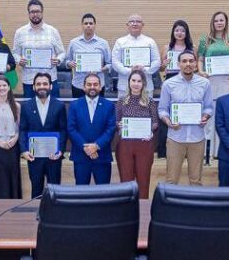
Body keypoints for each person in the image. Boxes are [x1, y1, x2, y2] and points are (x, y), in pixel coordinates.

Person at [158, 51, 213, 186]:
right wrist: (169, 122)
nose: (188, 64)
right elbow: (162, 109)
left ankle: (195, 207)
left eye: (191, 61)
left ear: (195, 64)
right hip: (175, 138)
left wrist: (205, 117)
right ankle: (171, 207)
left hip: (197, 138)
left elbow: (209, 107)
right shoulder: (168, 84)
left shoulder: (205, 83)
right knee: (171, 180)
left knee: (196, 181)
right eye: (184, 61)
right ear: (178, 64)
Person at [198, 11, 229, 156]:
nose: (219, 23)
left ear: (226, 22)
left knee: (225, 116)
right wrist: (201, 72)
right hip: (210, 81)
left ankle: (221, 151)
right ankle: (207, 152)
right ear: (213, 23)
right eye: (216, 20)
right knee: (209, 116)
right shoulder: (206, 40)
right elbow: (200, 59)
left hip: (226, 82)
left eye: (222, 20)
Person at [19, 72, 67, 198]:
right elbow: (22, 130)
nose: (42, 86)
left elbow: (63, 130)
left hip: (54, 157)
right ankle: (36, 215)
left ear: (51, 86)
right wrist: (24, 150)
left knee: (55, 191)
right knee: (36, 189)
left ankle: (55, 216)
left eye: (45, 83)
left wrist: (60, 151)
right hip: (34, 157)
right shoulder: (26, 106)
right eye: (38, 84)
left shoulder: (60, 106)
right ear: (33, 87)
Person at [115, 70, 159, 198]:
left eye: (139, 81)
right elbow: (116, 121)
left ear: (143, 84)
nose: (136, 84)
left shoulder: (149, 102)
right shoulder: (121, 101)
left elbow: (155, 122)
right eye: (133, 80)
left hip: (144, 145)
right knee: (126, 182)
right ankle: (126, 213)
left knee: (143, 182)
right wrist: (119, 125)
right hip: (125, 146)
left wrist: (150, 131)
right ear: (129, 82)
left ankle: (143, 213)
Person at [67, 74, 116, 185]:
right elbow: (71, 128)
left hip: (102, 155)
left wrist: (96, 146)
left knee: (103, 195)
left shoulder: (109, 105)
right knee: (81, 194)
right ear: (84, 87)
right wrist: (87, 148)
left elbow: (111, 129)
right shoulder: (74, 105)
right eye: (89, 84)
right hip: (81, 156)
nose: (92, 87)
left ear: (100, 87)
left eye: (95, 84)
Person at [12, 0, 66, 98]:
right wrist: (20, 60)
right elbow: (15, 53)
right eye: (32, 12)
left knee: (53, 111)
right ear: (28, 13)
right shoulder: (20, 32)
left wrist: (58, 60)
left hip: (50, 80)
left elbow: (62, 52)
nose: (35, 14)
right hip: (29, 81)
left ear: (42, 12)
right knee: (31, 111)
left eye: (38, 11)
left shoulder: (53, 31)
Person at [157, 19, 194, 157]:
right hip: (170, 81)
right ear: (173, 32)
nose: (179, 33)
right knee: (166, 112)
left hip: (187, 81)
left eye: (182, 30)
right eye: (177, 30)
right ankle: (163, 150)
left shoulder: (192, 48)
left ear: (186, 33)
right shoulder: (166, 48)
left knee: (184, 112)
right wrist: (164, 64)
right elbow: (160, 68)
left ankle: (185, 149)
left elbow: (194, 68)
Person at [112, 13, 160, 98]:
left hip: (146, 86)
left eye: (138, 21)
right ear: (127, 25)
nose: (135, 24)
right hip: (125, 86)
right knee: (124, 111)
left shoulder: (150, 42)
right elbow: (115, 62)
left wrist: (145, 69)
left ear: (142, 25)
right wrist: (129, 70)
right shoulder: (120, 42)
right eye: (132, 21)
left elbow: (157, 61)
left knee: (146, 111)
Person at [65, 13, 111, 98]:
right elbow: (67, 61)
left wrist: (102, 69)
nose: (88, 25)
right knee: (78, 110)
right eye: (86, 23)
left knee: (98, 111)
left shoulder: (103, 43)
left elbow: (110, 63)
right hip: (79, 85)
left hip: (97, 85)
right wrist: (69, 64)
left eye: (91, 23)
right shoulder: (73, 43)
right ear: (82, 25)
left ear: (95, 25)